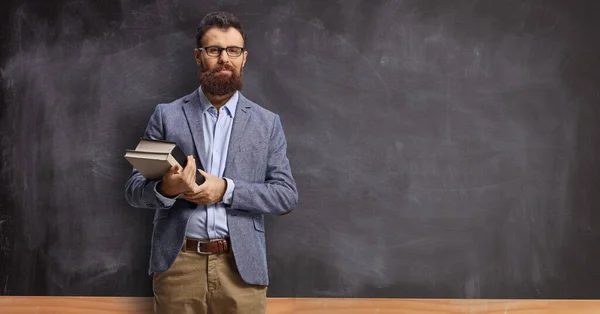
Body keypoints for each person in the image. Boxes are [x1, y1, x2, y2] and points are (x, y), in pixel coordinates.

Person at [125, 11, 298, 314]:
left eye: (233, 50)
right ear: (198, 56)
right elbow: (134, 190)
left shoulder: (267, 123)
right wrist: (167, 188)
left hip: (241, 268)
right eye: (214, 50)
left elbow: (285, 196)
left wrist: (226, 190)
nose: (224, 59)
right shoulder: (167, 116)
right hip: (178, 265)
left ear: (244, 58)